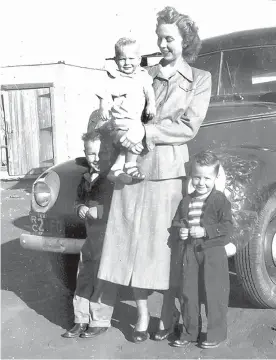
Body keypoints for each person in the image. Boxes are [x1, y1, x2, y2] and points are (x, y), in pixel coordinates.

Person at [96, 6, 212, 343]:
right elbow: (116, 113)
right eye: (159, 37)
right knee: (132, 245)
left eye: (170, 38)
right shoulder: (139, 73)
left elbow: (188, 126)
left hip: (167, 173)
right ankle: (144, 317)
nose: (163, 44)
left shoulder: (199, 79)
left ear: (185, 41)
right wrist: (123, 133)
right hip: (131, 169)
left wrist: (144, 133)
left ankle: (166, 315)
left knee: (162, 250)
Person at [171, 150, 233, 349]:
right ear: (191, 176)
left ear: (215, 178)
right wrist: (181, 230)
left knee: (215, 294)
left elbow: (228, 228)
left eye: (207, 178)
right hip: (190, 252)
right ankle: (190, 332)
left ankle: (216, 333)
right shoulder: (186, 201)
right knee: (189, 293)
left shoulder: (220, 200)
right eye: (197, 177)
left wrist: (205, 231)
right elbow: (178, 221)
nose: (201, 182)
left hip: (213, 253)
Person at [61, 130, 117, 339]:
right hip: (91, 238)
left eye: (100, 153)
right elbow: (76, 202)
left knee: (103, 278)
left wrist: (99, 211)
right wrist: (80, 209)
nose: (95, 158)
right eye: (90, 154)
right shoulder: (85, 179)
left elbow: (119, 207)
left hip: (108, 239)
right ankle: (81, 319)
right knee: (84, 276)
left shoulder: (112, 178)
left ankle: (100, 319)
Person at [96, 37, 156, 184]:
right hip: (121, 119)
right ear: (116, 60)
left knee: (129, 142)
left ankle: (116, 168)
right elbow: (105, 93)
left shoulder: (143, 76)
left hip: (134, 119)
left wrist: (151, 105)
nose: (127, 63)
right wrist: (103, 107)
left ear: (139, 59)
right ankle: (130, 165)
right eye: (122, 59)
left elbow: (149, 92)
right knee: (137, 138)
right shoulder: (115, 78)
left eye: (131, 58)